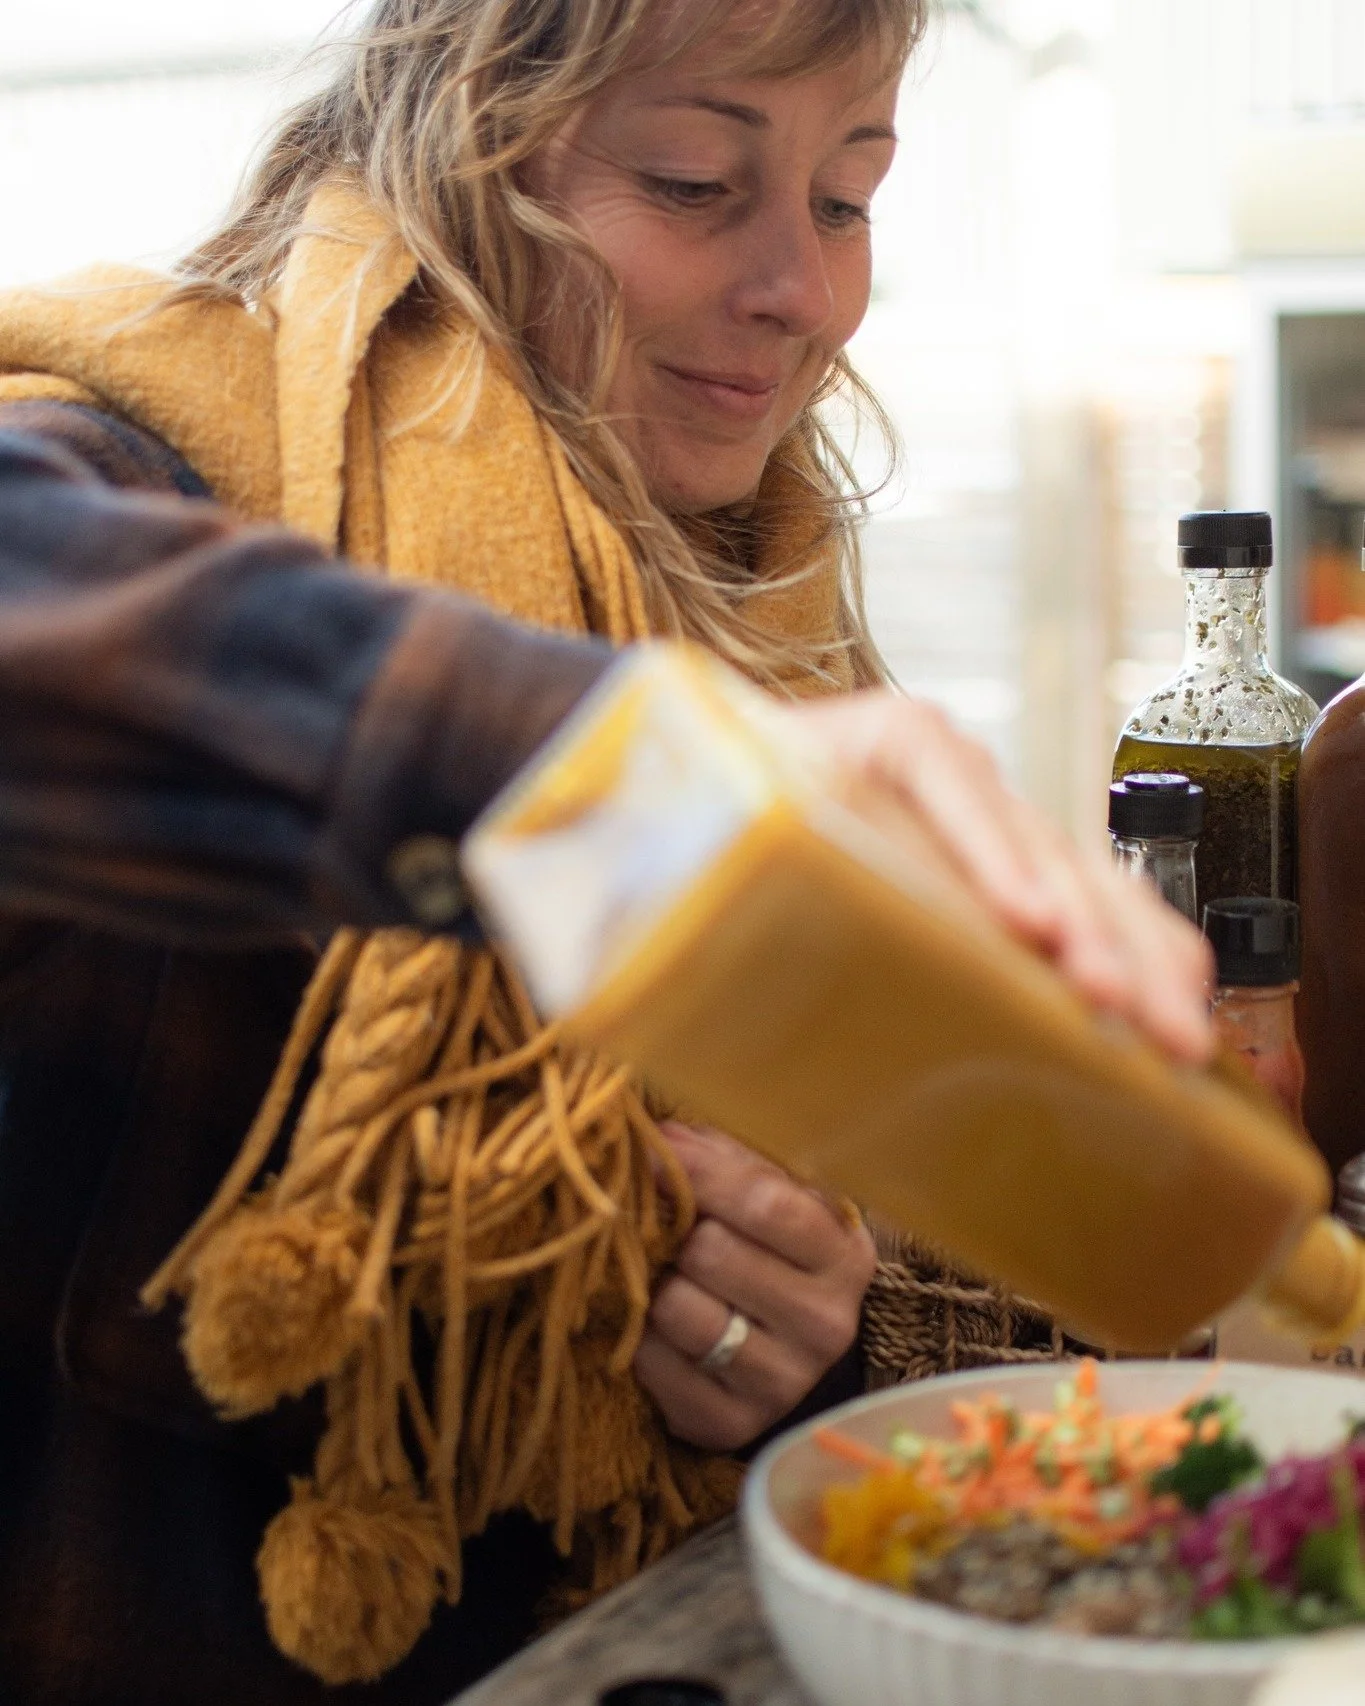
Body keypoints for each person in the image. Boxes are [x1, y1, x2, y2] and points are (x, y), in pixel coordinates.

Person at [0, 1, 1212, 1702]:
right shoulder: (160, 457)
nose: (802, 287)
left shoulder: (755, 618)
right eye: (697, 178)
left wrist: (785, 1341)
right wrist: (580, 769)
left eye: (848, 195)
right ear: (467, 151)